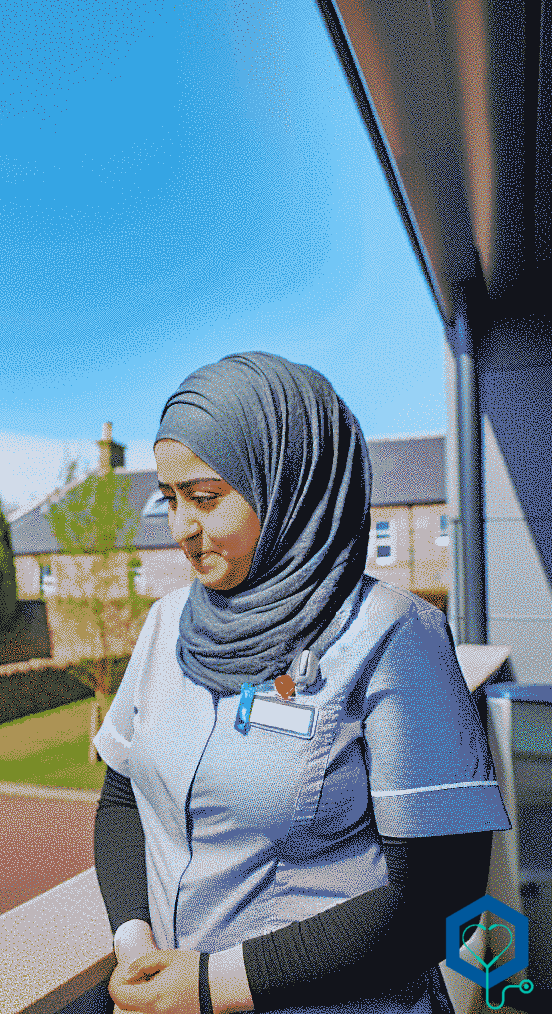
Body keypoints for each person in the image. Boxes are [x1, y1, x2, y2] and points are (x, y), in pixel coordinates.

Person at [92, 352, 511, 1014]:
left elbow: (442, 898)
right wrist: (134, 943)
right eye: (170, 500)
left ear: (293, 484)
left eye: (206, 498)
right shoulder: (165, 624)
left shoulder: (397, 636)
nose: (182, 530)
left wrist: (213, 985)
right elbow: (122, 801)